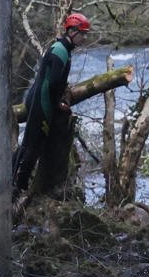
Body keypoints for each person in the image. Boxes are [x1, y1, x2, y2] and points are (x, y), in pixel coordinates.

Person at [13, 11, 91, 204]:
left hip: (43, 98)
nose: (84, 37)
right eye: (82, 33)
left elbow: (58, 81)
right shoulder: (60, 50)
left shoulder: (64, 48)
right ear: (72, 31)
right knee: (32, 145)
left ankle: (16, 185)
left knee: (31, 143)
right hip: (42, 101)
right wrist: (58, 103)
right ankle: (16, 189)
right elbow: (55, 81)